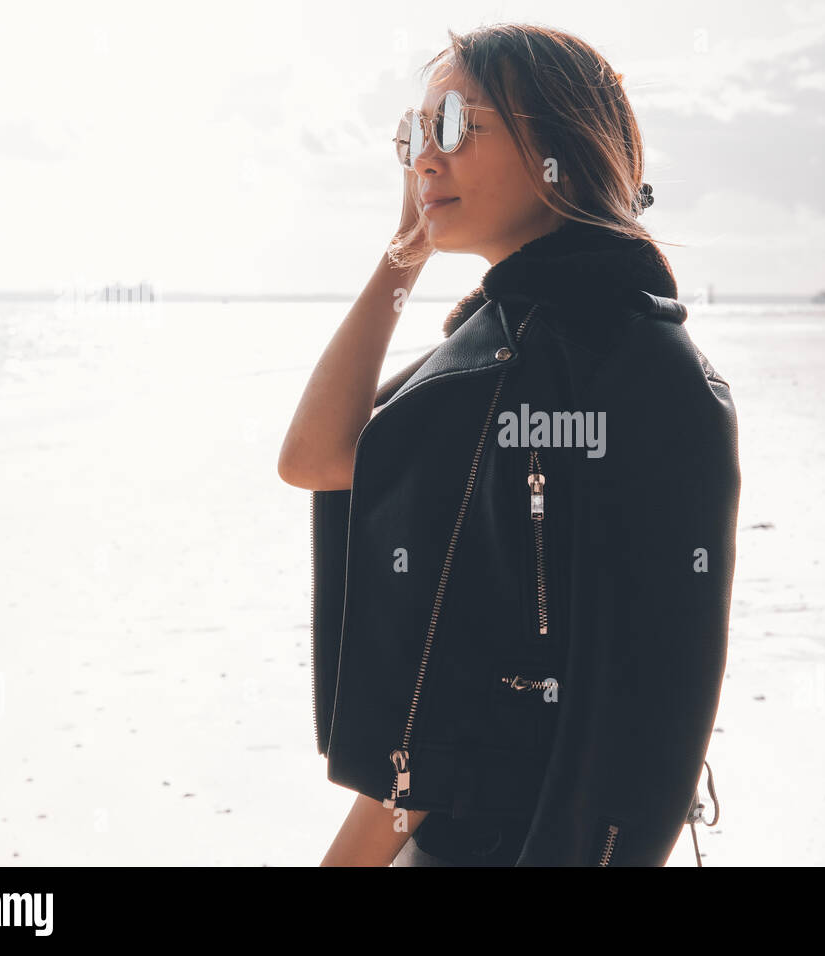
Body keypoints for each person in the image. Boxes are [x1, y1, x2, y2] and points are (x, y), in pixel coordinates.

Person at [279, 23, 739, 866]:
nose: (425, 158)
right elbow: (317, 459)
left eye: (454, 125)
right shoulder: (509, 344)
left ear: (560, 141)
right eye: (414, 135)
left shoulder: (604, 360)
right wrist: (403, 251)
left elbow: (647, 705)